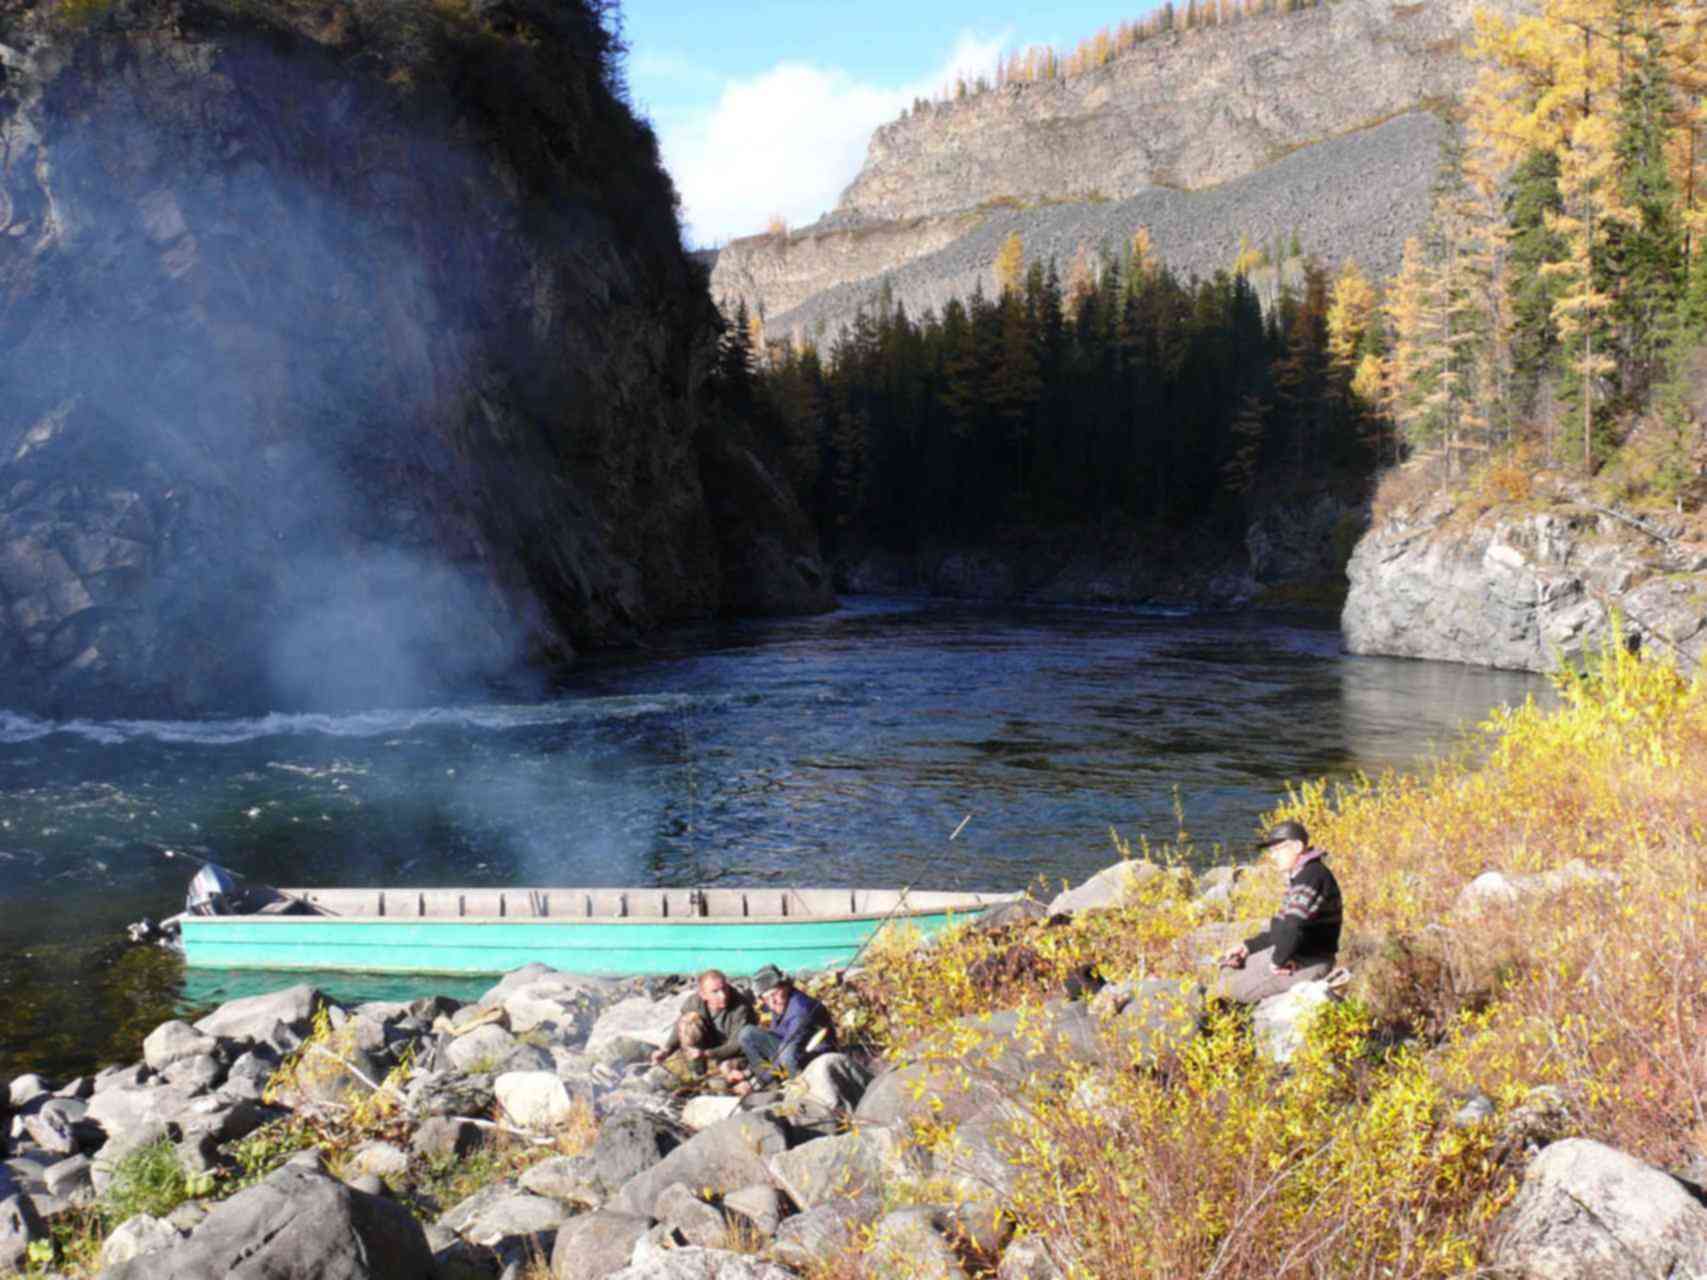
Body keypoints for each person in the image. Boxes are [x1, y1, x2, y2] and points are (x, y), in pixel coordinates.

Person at [1219, 819, 1342, 1004]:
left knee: (1226, 992)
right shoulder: (1304, 874)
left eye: (1278, 849)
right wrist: (1248, 946)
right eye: (1271, 851)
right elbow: (1283, 928)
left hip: (1309, 962)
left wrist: (1278, 961)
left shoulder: (1311, 876)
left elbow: (1293, 926)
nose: (1273, 856)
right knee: (1225, 969)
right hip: (1297, 955)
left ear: (1298, 846)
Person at [728, 964, 836, 1096]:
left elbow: (786, 1049)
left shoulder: (800, 1010)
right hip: (791, 1051)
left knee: (786, 1054)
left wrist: (755, 1082)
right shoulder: (781, 1002)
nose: (772, 1001)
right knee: (747, 1033)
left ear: (786, 986)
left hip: (813, 1054)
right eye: (766, 998)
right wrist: (749, 1072)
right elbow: (777, 1038)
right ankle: (771, 1082)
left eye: (774, 993)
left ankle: (798, 1090)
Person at [649, 969, 755, 1081]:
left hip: (735, 1054)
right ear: (703, 994)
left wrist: (707, 1054)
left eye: (724, 989)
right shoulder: (694, 1002)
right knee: (688, 1022)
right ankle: (697, 1071)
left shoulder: (741, 1007)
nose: (723, 995)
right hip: (707, 1049)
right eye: (715, 992)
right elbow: (679, 1027)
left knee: (725, 1073)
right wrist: (666, 1050)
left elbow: (736, 1045)